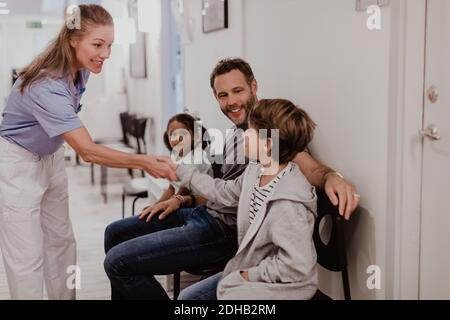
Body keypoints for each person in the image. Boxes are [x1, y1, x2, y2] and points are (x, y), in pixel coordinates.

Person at [103, 58, 359, 300]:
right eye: (223, 95)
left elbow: (307, 165)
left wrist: (331, 177)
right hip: (203, 212)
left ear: (254, 86)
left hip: (222, 230)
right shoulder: (241, 137)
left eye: (238, 91)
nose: (232, 101)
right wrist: (180, 199)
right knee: (114, 233)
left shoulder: (269, 129)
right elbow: (220, 185)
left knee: (119, 262)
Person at [0, 4, 175, 300]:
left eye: (109, 45)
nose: (105, 54)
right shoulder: (45, 85)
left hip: (51, 157)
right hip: (17, 163)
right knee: (27, 256)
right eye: (97, 44)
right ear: (72, 40)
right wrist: (144, 161)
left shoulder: (81, 71)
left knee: (62, 243)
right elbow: (87, 151)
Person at [176, 99, 318, 300]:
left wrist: (247, 275)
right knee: (187, 298)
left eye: (250, 131)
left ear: (268, 145)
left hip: (284, 285)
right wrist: (185, 174)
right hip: (254, 270)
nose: (244, 135)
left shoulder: (288, 201)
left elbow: (295, 267)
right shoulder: (255, 171)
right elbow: (225, 192)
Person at [139, 113, 212, 222]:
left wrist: (164, 205)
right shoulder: (176, 158)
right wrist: (155, 205)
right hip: (180, 201)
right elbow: (172, 188)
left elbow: (184, 190)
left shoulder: (198, 157)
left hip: (198, 208)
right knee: (148, 215)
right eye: (172, 134)